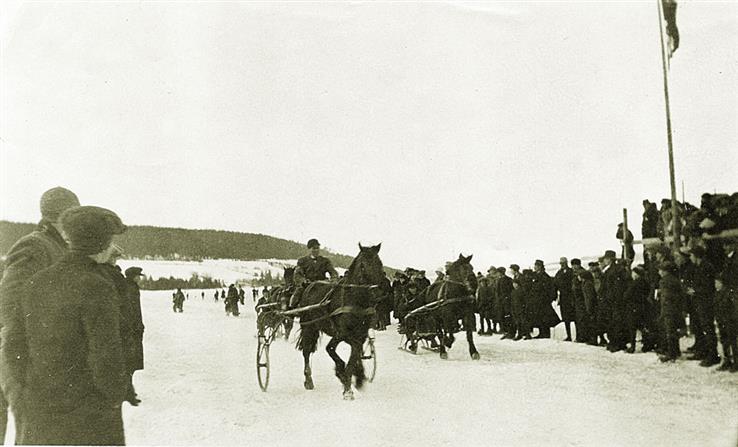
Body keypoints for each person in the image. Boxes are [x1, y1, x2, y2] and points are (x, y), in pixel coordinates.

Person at [12, 205, 128, 444]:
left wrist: (29, 386)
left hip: (41, 409)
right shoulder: (98, 285)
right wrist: (116, 393)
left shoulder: (37, 281)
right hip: (87, 414)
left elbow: (14, 344)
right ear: (103, 244)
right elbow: (105, 353)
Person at [0, 186, 80, 442]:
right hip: (23, 355)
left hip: (40, 355)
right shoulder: (35, 245)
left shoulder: (57, 246)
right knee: (32, 429)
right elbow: (10, 304)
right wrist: (22, 355)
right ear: (64, 215)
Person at [289, 239, 338, 308]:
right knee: (299, 291)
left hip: (322, 284)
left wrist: (334, 278)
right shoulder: (302, 261)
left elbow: (333, 271)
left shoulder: (325, 261)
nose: (316, 250)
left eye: (317, 248)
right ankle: (294, 307)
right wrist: (303, 281)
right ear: (309, 249)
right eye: (314, 248)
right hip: (308, 284)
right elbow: (298, 274)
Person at [123, 267, 145, 405]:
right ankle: (128, 391)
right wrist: (136, 326)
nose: (140, 278)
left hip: (134, 328)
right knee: (130, 361)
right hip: (132, 329)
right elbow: (132, 310)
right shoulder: (130, 289)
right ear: (133, 276)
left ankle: (128, 390)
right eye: (138, 276)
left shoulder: (132, 287)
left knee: (131, 362)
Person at [657, 262, 685, 363]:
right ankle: (676, 351)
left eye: (660, 270)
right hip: (676, 308)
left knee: (669, 331)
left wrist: (663, 311)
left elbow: (665, 298)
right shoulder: (675, 280)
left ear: (665, 271)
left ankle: (671, 354)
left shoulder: (663, 281)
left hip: (668, 309)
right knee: (673, 330)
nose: (658, 272)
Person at [554, 257, 575, 341]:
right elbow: (555, 283)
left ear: (567, 263)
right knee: (566, 318)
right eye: (561, 263)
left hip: (571, 297)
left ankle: (579, 336)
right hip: (563, 297)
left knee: (574, 317)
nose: (562, 265)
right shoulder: (559, 273)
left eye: (563, 263)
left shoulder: (571, 271)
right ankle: (568, 335)